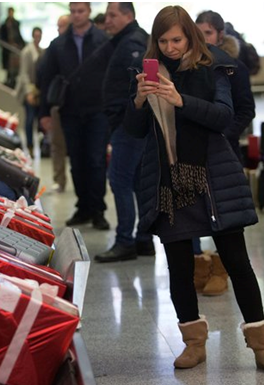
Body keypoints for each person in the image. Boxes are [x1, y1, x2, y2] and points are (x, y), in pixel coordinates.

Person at [124, 5, 264, 374]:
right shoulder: (147, 70)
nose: (170, 47)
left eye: (177, 39)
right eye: (163, 40)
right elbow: (133, 130)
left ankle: (262, 346)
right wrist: (138, 101)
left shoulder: (215, 66)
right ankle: (193, 343)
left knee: (237, 261)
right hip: (167, 180)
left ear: (191, 36)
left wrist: (179, 100)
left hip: (214, 176)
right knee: (179, 266)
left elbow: (223, 116)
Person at [192, 10, 257, 295]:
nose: (203, 40)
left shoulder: (234, 67)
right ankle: (198, 267)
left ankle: (221, 268)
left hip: (223, 152)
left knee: (224, 215)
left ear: (220, 34)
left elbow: (246, 110)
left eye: (207, 33)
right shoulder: (189, 65)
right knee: (191, 213)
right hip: (192, 152)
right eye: (198, 34)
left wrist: (222, 134)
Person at [39, 2, 113, 230]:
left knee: (96, 160)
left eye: (80, 11)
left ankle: (98, 209)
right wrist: (44, 112)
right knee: (78, 162)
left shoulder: (103, 41)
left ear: (89, 12)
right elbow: (46, 78)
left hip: (98, 111)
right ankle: (84, 207)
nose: (76, 15)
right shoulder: (58, 44)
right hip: (70, 111)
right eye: (73, 11)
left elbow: (112, 76)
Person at [94, 2, 154, 263]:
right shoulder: (127, 39)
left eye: (112, 15)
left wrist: (121, 114)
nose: (107, 20)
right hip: (129, 122)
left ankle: (125, 241)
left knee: (119, 180)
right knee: (137, 181)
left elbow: (137, 85)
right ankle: (143, 238)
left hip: (128, 124)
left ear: (128, 16)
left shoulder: (132, 43)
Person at [38, 14, 71, 193]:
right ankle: (60, 179)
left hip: (79, 106)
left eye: (62, 26)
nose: (59, 30)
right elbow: (44, 76)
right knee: (57, 145)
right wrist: (44, 111)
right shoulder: (55, 47)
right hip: (58, 102)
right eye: (58, 26)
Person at [17, 27, 44, 156]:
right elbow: (24, 73)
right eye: (36, 36)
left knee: (39, 119)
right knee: (30, 118)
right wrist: (28, 91)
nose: (37, 38)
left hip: (39, 90)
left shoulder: (42, 51)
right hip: (30, 90)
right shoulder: (27, 52)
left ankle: (40, 144)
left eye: (39, 36)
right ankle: (29, 144)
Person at [0, 7, 25, 88]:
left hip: (15, 48)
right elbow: (2, 38)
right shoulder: (4, 25)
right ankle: (9, 79)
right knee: (9, 65)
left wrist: (21, 45)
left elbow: (18, 34)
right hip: (8, 48)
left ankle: (13, 79)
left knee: (15, 65)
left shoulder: (16, 23)